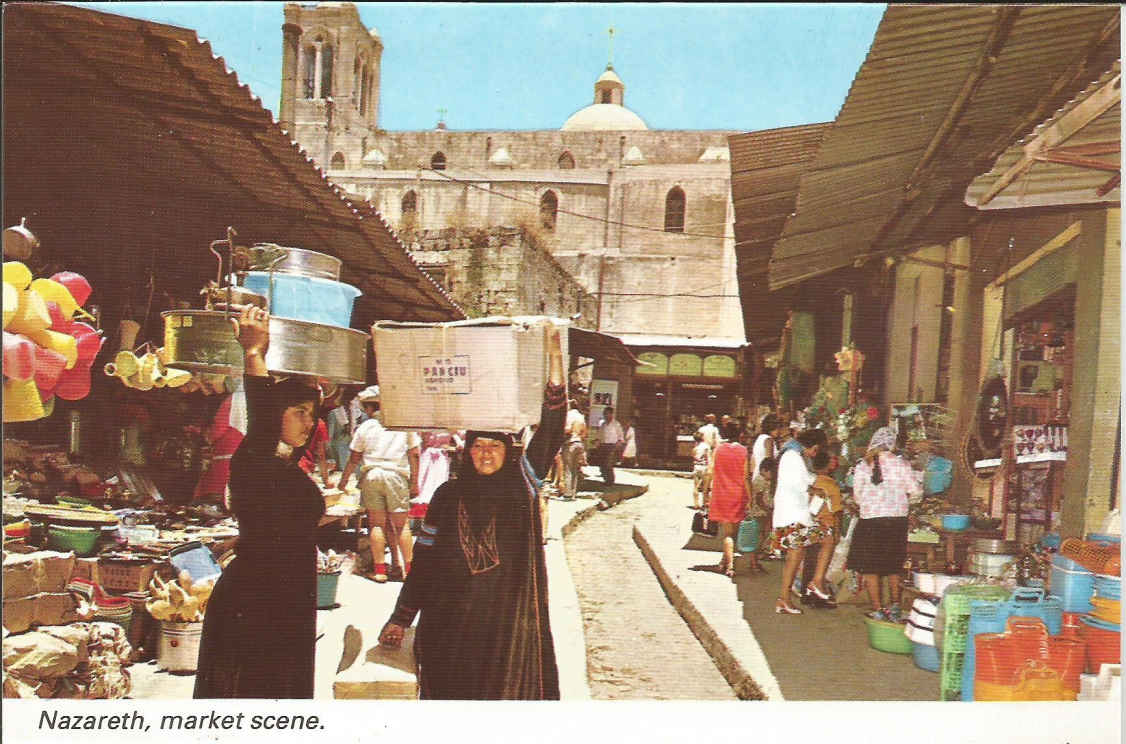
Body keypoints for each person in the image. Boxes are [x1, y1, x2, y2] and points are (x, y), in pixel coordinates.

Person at [377, 330, 567, 699]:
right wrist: (401, 617)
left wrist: (555, 357)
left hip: (504, 628)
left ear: (508, 451)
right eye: (478, 446)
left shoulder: (521, 486)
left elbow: (551, 431)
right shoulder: (447, 496)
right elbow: (425, 561)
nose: (485, 454)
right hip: (449, 622)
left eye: (494, 446)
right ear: (467, 450)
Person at [194, 305, 324, 699]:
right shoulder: (255, 457)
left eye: (312, 414)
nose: (308, 422)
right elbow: (262, 414)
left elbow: (275, 521)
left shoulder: (287, 467)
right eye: (297, 412)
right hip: (257, 603)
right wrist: (254, 354)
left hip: (288, 600)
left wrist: (247, 538)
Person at [335, 386, 420, 583]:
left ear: (370, 407)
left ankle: (380, 570)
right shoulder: (403, 425)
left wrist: (343, 480)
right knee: (401, 525)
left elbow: (354, 458)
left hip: (372, 475)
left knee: (376, 524)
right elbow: (414, 454)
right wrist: (415, 482)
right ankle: (409, 570)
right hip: (396, 477)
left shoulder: (366, 427)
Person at [847, 426, 922, 622]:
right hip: (896, 522)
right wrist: (904, 501)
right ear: (893, 444)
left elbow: (857, 497)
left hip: (871, 522)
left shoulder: (863, 466)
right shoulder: (902, 465)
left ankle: (878, 609)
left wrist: (870, 502)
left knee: (872, 568)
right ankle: (896, 607)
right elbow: (916, 491)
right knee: (893, 566)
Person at [771, 429, 832, 615]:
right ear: (813, 446)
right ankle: (815, 583)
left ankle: (785, 599)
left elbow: (803, 479)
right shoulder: (793, 456)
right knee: (826, 539)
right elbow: (799, 483)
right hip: (794, 516)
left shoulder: (792, 454)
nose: (814, 455)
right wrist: (815, 490)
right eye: (815, 451)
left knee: (794, 558)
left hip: (791, 516)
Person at [801, 450, 844, 607]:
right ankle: (818, 594)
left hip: (810, 525)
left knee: (810, 562)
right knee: (822, 564)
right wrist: (838, 532)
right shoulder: (832, 486)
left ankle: (806, 596)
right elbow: (837, 512)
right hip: (826, 527)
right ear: (827, 465)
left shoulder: (812, 482)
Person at [710, 432, 751, 580]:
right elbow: (746, 477)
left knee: (727, 534)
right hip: (738, 494)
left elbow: (711, 471)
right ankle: (727, 564)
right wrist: (750, 497)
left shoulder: (718, 450)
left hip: (722, 494)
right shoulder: (744, 451)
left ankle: (727, 565)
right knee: (733, 533)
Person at [750, 455, 776, 569]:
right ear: (764, 470)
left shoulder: (765, 480)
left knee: (762, 536)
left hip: (764, 512)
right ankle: (753, 561)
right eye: (771, 472)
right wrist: (768, 510)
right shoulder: (759, 480)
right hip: (759, 513)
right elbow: (759, 500)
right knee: (758, 538)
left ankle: (756, 560)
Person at [561, 399, 587, 500]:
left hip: (570, 443)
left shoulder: (568, 415)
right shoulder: (581, 416)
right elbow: (584, 432)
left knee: (568, 469)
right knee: (575, 469)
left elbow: (568, 430)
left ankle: (567, 494)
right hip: (579, 444)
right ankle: (573, 493)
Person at [595, 405, 624, 486]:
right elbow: (599, 435)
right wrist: (597, 442)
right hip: (603, 446)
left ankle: (610, 481)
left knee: (608, 464)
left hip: (612, 446)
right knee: (602, 464)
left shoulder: (616, 424)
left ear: (611, 414)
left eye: (607, 414)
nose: (605, 415)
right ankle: (605, 478)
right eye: (604, 414)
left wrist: (618, 445)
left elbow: (620, 436)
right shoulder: (603, 424)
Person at [298, 416, 330, 484]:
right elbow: (321, 455)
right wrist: (326, 481)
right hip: (304, 468)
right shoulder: (320, 425)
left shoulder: (290, 419)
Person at [696, 413, 720, 501]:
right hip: (710, 452)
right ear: (713, 420)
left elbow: (696, 440)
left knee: (701, 470)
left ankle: (699, 488)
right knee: (709, 473)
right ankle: (705, 494)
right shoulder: (715, 429)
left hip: (701, 451)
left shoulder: (701, 429)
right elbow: (717, 442)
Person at [690, 431, 710, 511]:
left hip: (697, 466)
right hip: (704, 467)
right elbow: (708, 457)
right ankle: (704, 504)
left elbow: (693, 457)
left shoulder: (695, 448)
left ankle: (695, 504)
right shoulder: (706, 447)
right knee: (705, 488)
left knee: (695, 486)